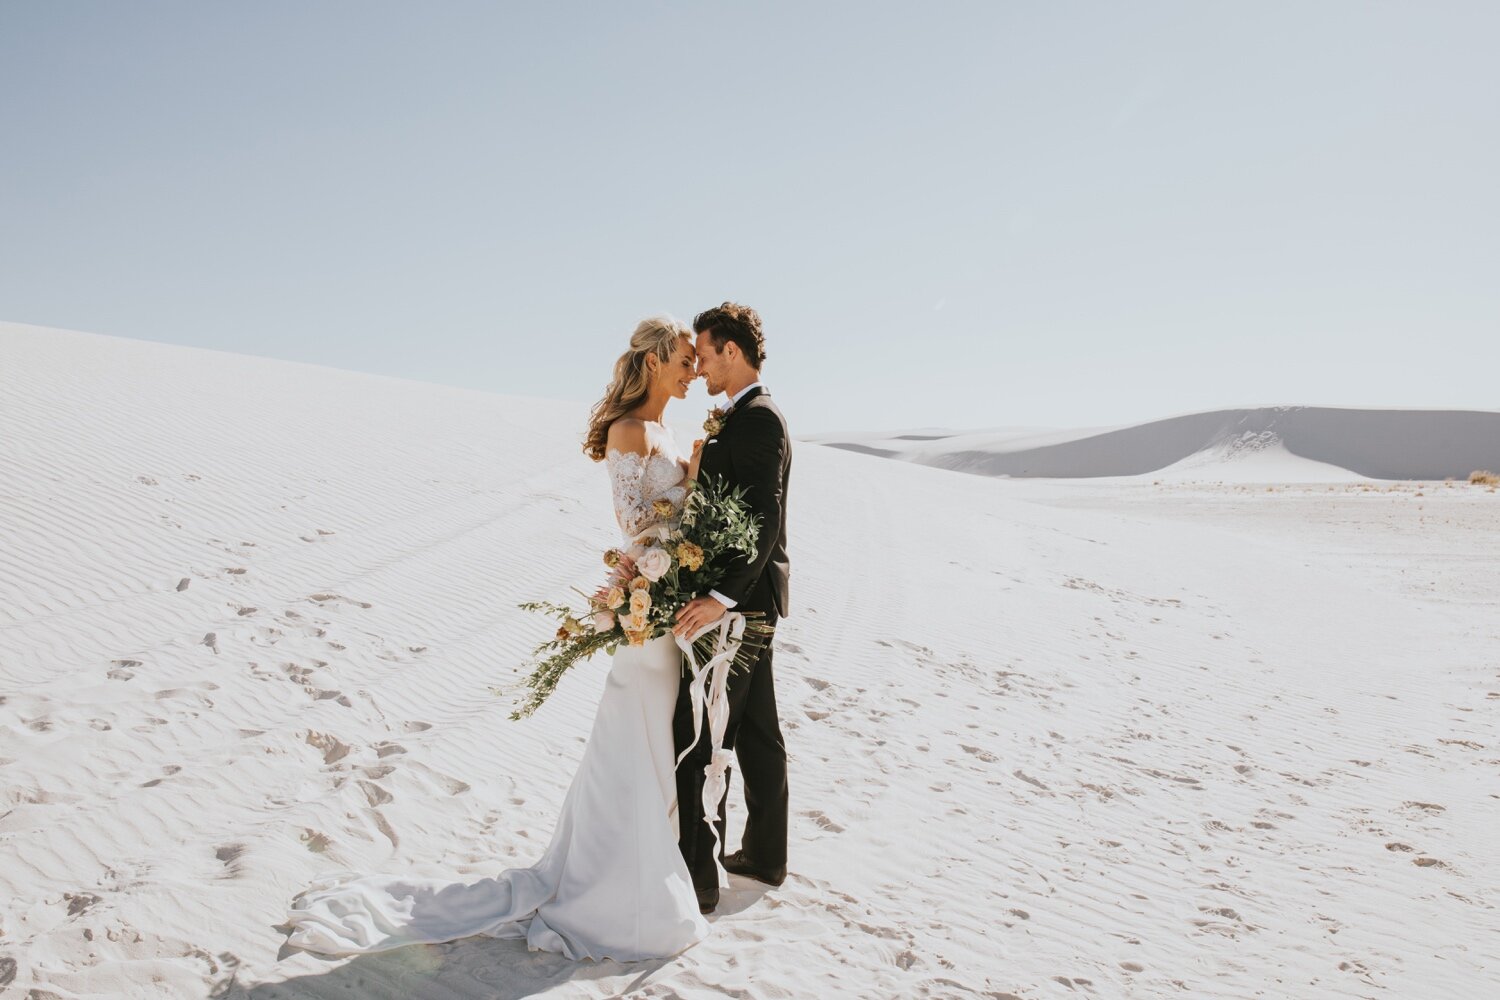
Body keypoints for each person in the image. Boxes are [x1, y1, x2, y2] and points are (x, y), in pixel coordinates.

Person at [283, 316, 710, 961]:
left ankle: (644, 871)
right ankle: (612, 886)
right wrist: (686, 498)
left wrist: (694, 479)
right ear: (654, 362)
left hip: (664, 606)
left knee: (652, 741)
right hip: (647, 606)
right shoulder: (629, 431)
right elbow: (632, 524)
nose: (691, 369)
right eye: (682, 358)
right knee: (635, 741)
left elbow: (674, 513)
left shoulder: (667, 431)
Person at [670, 302, 792, 915]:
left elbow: (766, 520)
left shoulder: (760, 420)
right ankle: (766, 856)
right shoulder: (739, 419)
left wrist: (721, 599)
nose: (702, 367)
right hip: (750, 603)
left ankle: (701, 882)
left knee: (709, 733)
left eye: (706, 352)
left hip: (740, 609)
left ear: (732, 352)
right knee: (760, 735)